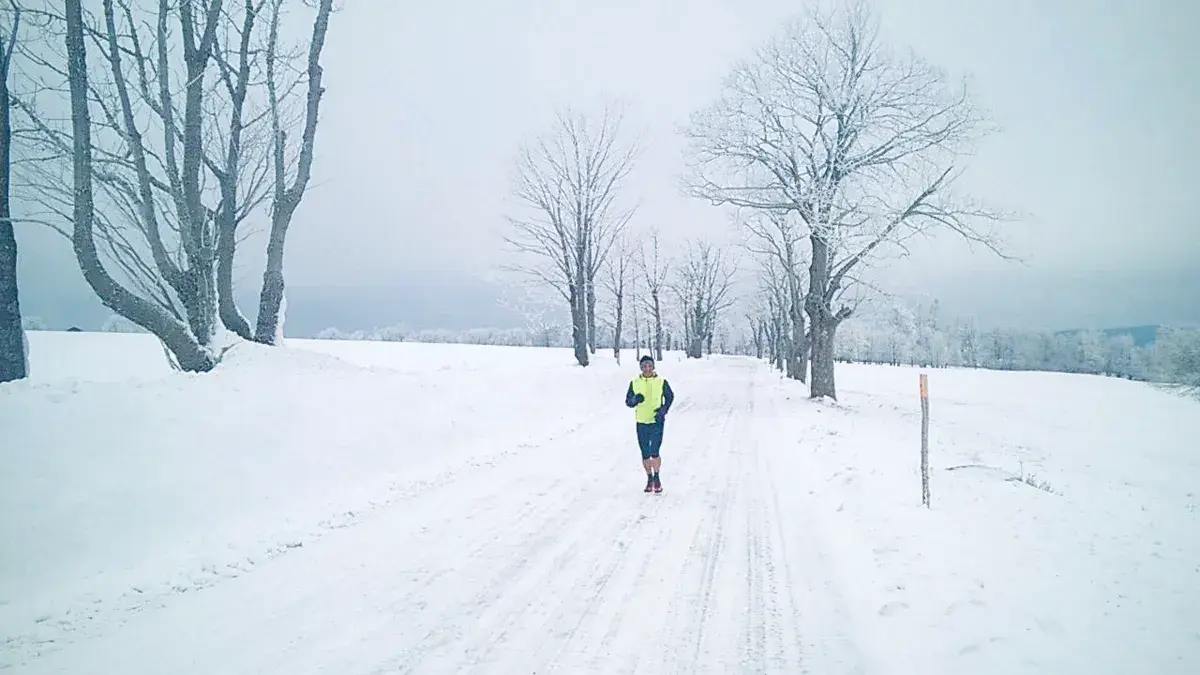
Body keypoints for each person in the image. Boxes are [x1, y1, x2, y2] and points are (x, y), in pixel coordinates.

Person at [624, 354, 674, 493]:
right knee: (645, 453)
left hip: (656, 421)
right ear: (641, 368)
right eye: (644, 366)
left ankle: (657, 477)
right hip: (641, 421)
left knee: (655, 451)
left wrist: (663, 410)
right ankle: (649, 478)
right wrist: (634, 399)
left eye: (649, 366)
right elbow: (628, 402)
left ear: (653, 367)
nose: (647, 368)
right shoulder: (634, 382)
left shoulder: (661, 381)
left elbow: (670, 397)